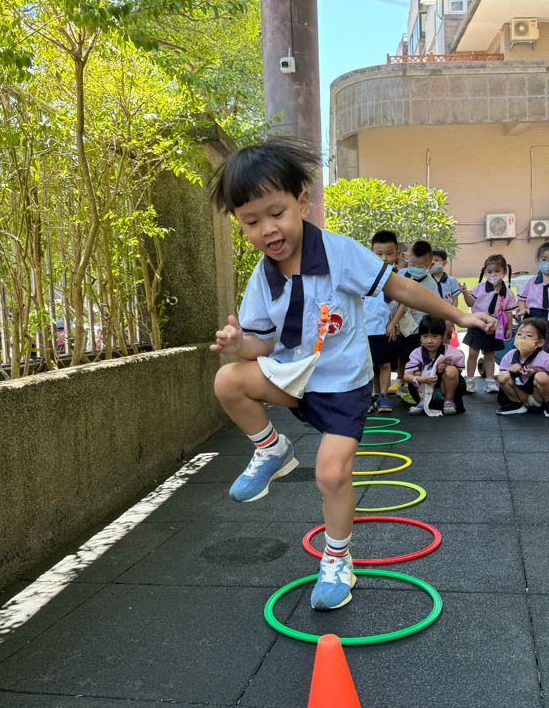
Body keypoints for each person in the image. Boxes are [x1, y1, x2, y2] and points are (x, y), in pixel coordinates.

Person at [209, 137, 496, 612]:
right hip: (295, 378)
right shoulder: (262, 276)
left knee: (331, 473)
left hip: (343, 386)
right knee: (229, 380)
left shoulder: (338, 253)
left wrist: (460, 316)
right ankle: (271, 449)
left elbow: (400, 286)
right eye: (251, 221)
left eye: (276, 213)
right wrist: (241, 346)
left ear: (302, 203)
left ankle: (338, 560)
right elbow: (262, 343)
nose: (267, 229)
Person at [389, 240, 441, 401]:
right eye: (413, 264)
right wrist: (394, 322)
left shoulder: (431, 284)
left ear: (430, 265)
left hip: (419, 328)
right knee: (402, 355)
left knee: (417, 357)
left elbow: (434, 308)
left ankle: (417, 386)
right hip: (400, 325)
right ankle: (402, 381)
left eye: (421, 266)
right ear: (407, 258)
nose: (416, 269)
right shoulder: (400, 275)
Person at [461, 253, 517, 394]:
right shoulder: (479, 287)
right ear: (484, 272)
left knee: (489, 355)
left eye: (497, 271)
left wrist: (509, 328)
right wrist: (465, 293)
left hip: (494, 326)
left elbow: (509, 312)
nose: (493, 275)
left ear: (504, 272)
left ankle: (490, 381)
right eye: (489, 272)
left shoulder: (508, 293)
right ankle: (470, 380)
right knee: (473, 354)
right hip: (477, 324)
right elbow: (470, 303)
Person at [496, 317, 549, 418]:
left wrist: (536, 374)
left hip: (538, 395)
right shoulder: (510, 355)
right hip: (521, 394)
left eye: (529, 335)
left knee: (541, 376)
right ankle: (516, 404)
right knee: (503, 376)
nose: (522, 338)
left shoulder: (546, 359)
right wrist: (510, 370)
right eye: (519, 334)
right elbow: (502, 375)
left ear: (539, 342)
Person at [363, 230, 399, 414]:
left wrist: (393, 323)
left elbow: (403, 303)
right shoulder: (364, 275)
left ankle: (383, 396)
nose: (384, 258)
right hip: (365, 329)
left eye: (389, 253)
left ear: (397, 254)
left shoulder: (397, 277)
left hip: (385, 329)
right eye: (379, 254)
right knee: (368, 365)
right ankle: (368, 397)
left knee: (385, 364)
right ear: (372, 253)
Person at [403, 314, 467, 415]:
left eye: (434, 336)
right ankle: (423, 402)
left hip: (444, 388)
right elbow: (406, 376)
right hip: (424, 389)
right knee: (417, 373)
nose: (429, 341)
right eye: (425, 336)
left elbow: (457, 373)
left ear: (443, 336)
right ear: (420, 337)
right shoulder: (417, 353)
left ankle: (449, 401)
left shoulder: (452, 352)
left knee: (451, 369)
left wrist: (446, 366)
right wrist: (421, 379)